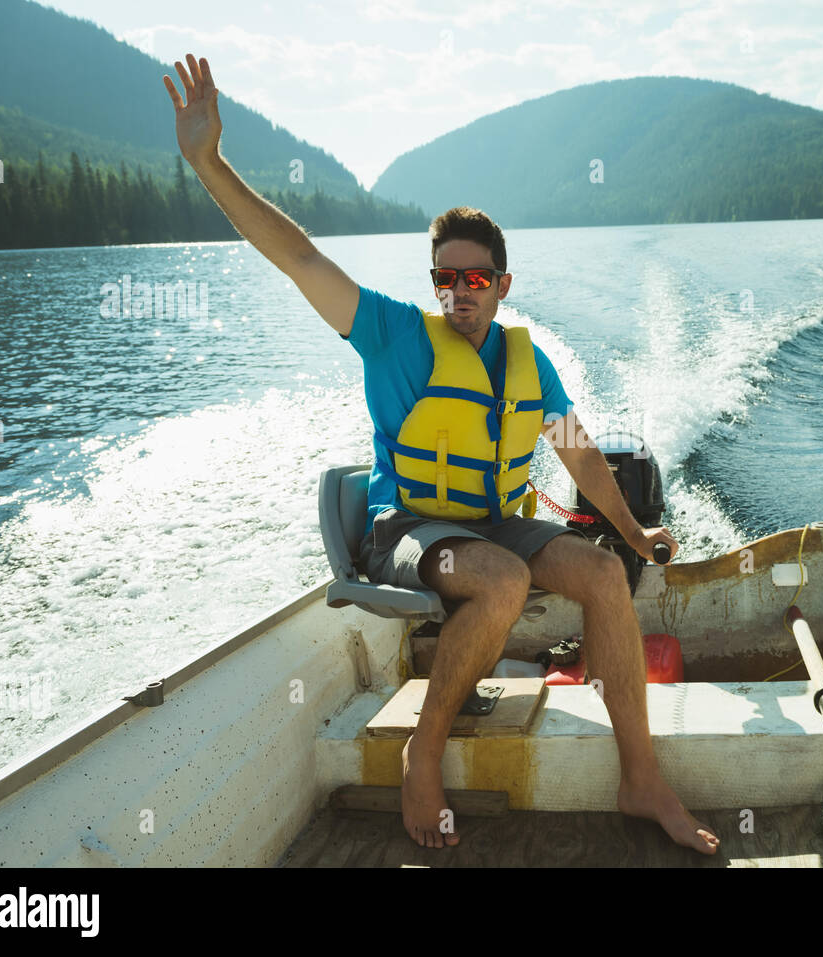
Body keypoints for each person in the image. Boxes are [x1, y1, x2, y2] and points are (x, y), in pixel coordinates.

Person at [163, 54, 720, 855]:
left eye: (477, 277)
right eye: (447, 276)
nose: (460, 290)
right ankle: (424, 753)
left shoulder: (530, 363)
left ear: (503, 284)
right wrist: (210, 162)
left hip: (495, 520)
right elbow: (299, 258)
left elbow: (580, 456)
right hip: (411, 527)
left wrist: (632, 537)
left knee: (600, 575)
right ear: (435, 282)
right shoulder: (391, 335)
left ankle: (640, 777)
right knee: (503, 579)